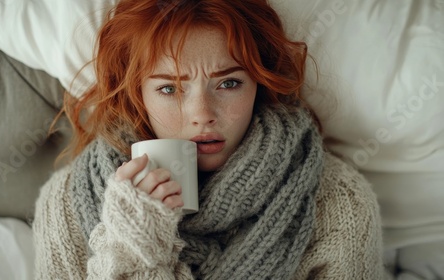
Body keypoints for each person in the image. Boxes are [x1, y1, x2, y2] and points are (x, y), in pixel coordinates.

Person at [33, 0, 385, 279]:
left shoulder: (340, 204)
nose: (201, 113)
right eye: (169, 88)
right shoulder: (64, 203)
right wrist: (133, 246)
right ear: (138, 94)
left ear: (258, 84)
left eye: (229, 83)